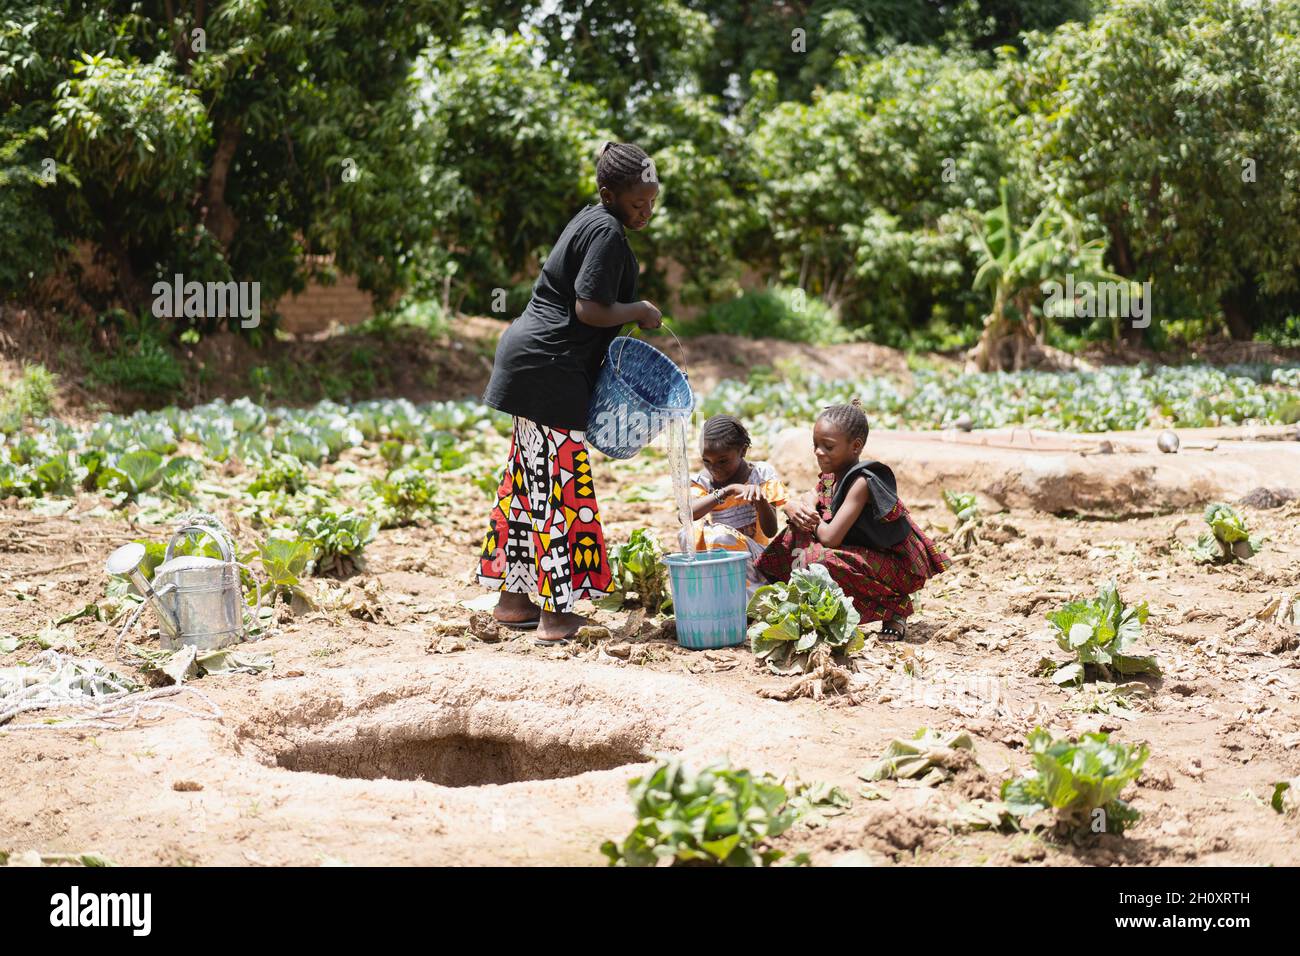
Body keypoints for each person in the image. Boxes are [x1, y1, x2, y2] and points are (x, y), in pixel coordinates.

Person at [477, 142, 661, 642]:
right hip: (548, 368)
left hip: (536, 365)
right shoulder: (604, 231)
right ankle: (557, 614)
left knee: (525, 486)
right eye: (637, 203)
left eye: (651, 202)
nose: (646, 211)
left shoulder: (592, 221)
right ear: (609, 194)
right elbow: (589, 309)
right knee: (559, 490)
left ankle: (515, 602)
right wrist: (640, 310)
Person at [755, 399, 951, 640]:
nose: (818, 452)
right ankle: (796, 606)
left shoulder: (861, 483)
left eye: (828, 446)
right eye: (816, 445)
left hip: (894, 567)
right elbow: (811, 497)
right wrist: (795, 507)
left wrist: (806, 511)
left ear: (855, 446)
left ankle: (896, 607)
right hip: (862, 555)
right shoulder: (829, 478)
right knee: (795, 533)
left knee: (818, 560)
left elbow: (830, 537)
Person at [684, 414, 787, 597]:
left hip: (756, 558)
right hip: (719, 556)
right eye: (707, 461)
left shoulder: (761, 474)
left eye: (723, 461)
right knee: (687, 534)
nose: (714, 468)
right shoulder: (704, 482)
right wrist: (727, 490)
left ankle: (752, 598)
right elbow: (684, 515)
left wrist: (760, 500)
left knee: (723, 537)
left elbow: (771, 531)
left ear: (743, 450)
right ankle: (712, 591)